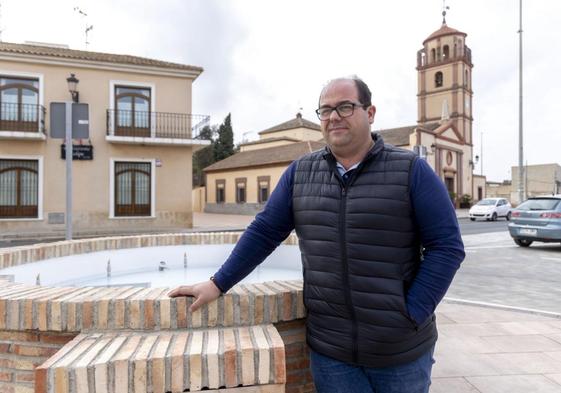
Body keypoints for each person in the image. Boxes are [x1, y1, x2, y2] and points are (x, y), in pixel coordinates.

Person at [169, 76, 465, 393]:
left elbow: (446, 248)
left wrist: (413, 312)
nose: (334, 116)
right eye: (325, 110)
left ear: (370, 112)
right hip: (332, 354)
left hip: (400, 353)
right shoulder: (300, 173)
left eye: (345, 107)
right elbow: (265, 231)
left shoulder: (411, 170)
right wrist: (217, 283)